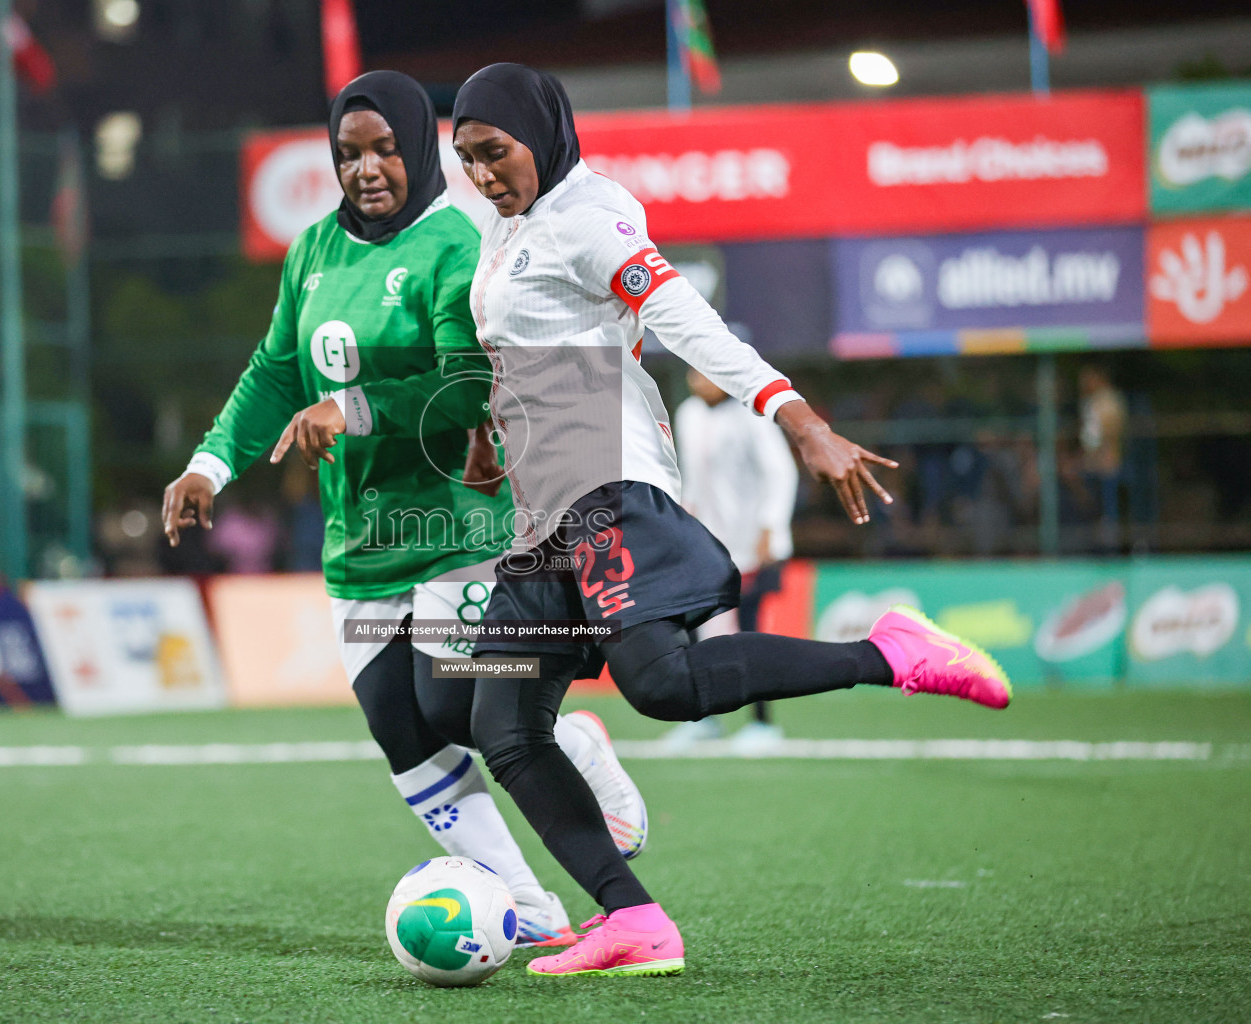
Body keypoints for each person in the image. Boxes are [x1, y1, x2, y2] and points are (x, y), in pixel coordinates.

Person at [447, 63, 1012, 978]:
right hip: (540, 503)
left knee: (662, 685)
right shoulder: (510, 228)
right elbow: (527, 350)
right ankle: (634, 923)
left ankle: (894, 654)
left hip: (602, 477)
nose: (481, 172)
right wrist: (488, 433)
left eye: (494, 152)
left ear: (542, 132)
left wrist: (798, 417)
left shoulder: (587, 217)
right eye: (466, 157)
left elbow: (682, 316)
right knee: (503, 726)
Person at [161, 71, 646, 948]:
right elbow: (276, 372)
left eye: (386, 148)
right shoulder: (312, 251)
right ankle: (528, 908)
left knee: (456, 707)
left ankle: (572, 744)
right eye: (349, 154)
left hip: (453, 528)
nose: (367, 168)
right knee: (401, 729)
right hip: (360, 540)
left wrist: (349, 408)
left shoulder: (454, 244)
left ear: (421, 147)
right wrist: (208, 463)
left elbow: (472, 386)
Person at [662, 368, 798, 751]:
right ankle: (704, 717)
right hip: (706, 544)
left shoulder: (750, 415)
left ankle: (762, 724)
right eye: (690, 374)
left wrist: (771, 525)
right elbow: (687, 475)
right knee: (693, 629)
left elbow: (780, 472)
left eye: (705, 374)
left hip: (752, 544)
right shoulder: (688, 414)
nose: (697, 381)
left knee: (749, 631)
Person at [1078, 365, 1126, 551]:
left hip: (1106, 462)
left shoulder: (1109, 399)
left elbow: (1111, 431)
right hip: (1092, 462)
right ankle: (1094, 548)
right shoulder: (1090, 400)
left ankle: (1110, 551)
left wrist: (1104, 455)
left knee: (1108, 510)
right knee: (1092, 508)